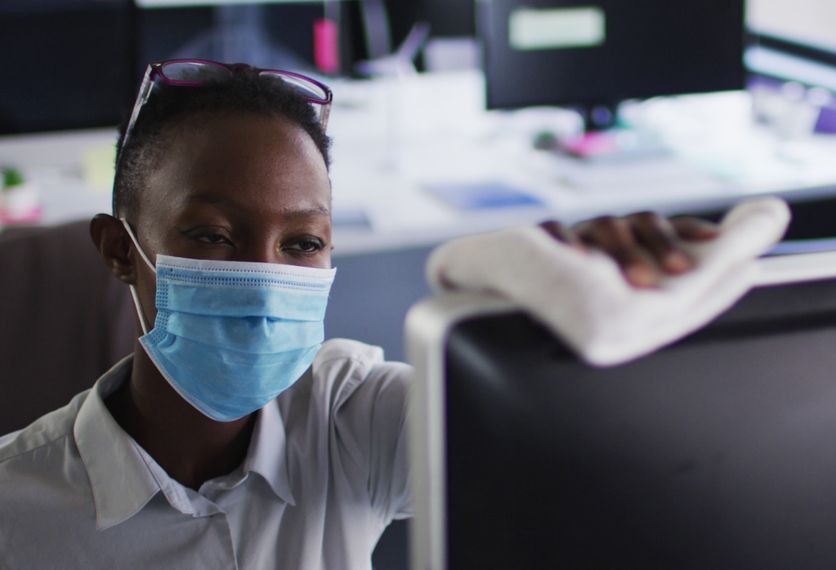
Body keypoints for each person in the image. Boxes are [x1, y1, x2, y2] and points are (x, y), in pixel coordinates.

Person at [0, 60, 719, 569]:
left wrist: (555, 290)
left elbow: (572, 442)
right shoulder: (16, 510)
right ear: (120, 251)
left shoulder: (348, 419)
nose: (263, 276)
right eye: (212, 235)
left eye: (304, 243)